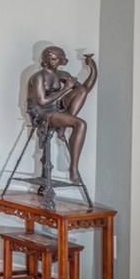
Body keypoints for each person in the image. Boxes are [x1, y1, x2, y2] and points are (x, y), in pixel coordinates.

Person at [26, 46, 97, 182]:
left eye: (56, 59)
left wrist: (93, 69)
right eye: (51, 59)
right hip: (41, 114)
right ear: (46, 59)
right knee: (80, 123)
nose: (54, 61)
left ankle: (73, 166)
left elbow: (85, 90)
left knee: (80, 91)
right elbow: (42, 101)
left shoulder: (62, 75)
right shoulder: (38, 77)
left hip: (56, 109)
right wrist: (65, 89)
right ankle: (73, 167)